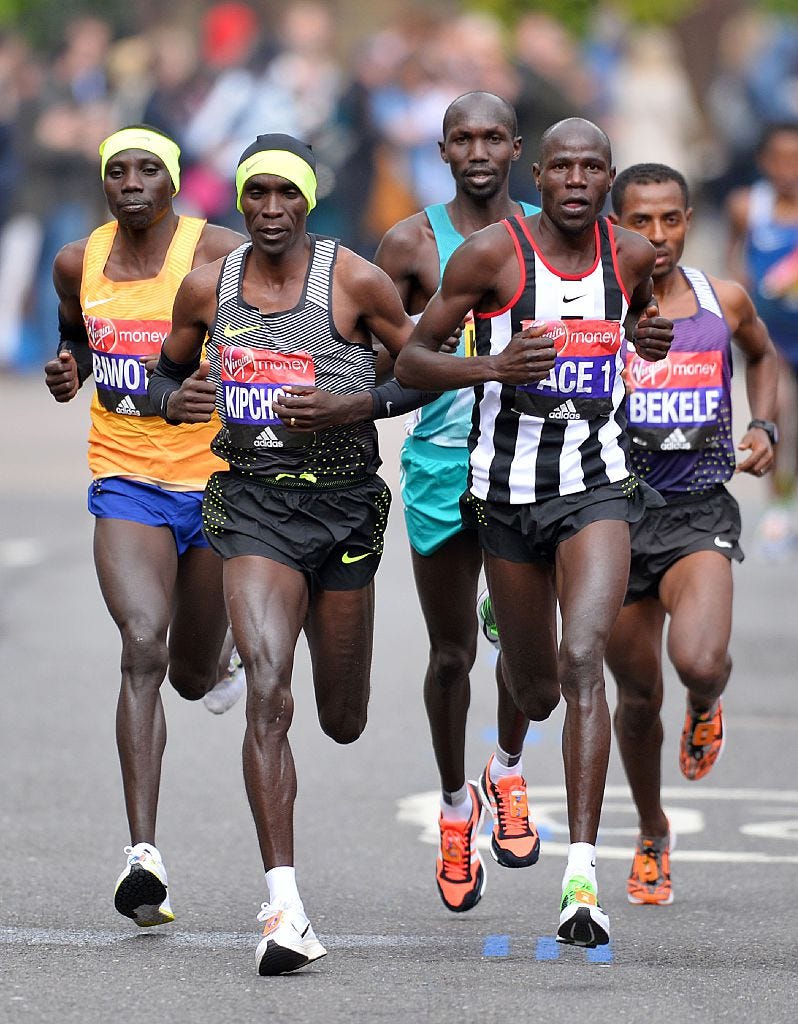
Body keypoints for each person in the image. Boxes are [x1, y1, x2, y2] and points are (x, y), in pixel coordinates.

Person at [395, 117, 672, 948]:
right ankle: (502, 768)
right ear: (539, 174)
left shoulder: (631, 255)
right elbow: (411, 361)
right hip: (506, 493)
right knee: (537, 685)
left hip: (597, 486)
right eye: (564, 168)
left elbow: (644, 320)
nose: (578, 181)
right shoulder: (491, 258)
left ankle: (580, 880)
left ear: (608, 176)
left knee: (582, 660)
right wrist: (492, 368)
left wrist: (647, 339)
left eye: (594, 168)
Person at [147, 133, 413, 975]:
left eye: (284, 195)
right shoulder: (207, 288)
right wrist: (176, 397)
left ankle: (288, 888)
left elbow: (421, 369)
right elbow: (162, 376)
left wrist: (352, 407)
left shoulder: (354, 278)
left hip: (342, 510)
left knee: (340, 718)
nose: (268, 210)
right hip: (254, 504)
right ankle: (284, 907)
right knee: (268, 689)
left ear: (308, 200)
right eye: (254, 194)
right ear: (239, 200)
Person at [44, 125, 246, 930]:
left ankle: (222, 655)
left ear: (174, 183)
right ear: (105, 185)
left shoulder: (216, 250)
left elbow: (286, 302)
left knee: (192, 676)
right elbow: (74, 332)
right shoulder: (77, 260)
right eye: (117, 172)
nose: (131, 183)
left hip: (215, 484)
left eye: (147, 170)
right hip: (126, 479)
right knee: (142, 648)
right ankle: (143, 856)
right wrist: (70, 365)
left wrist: (230, 375)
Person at [374, 91, 541, 915]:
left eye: (491, 137)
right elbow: (379, 364)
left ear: (516, 147)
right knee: (451, 656)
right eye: (461, 139)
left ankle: (505, 768)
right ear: (442, 150)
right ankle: (453, 807)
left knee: (519, 637)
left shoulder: (552, 232)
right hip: (440, 462)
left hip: (531, 462)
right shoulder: (409, 242)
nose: (477, 151)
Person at [605, 163, 777, 905]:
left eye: (670, 219)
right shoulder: (596, 310)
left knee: (699, 662)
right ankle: (651, 832)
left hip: (697, 509)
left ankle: (707, 705)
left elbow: (765, 356)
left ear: (689, 220)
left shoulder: (722, 300)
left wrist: (764, 425)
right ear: (616, 227)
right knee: (638, 695)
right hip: (611, 517)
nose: (658, 236)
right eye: (640, 221)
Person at [726, 122, 798, 557]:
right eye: (780, 159)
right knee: (782, 416)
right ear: (763, 162)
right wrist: (744, 278)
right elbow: (735, 251)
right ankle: (778, 507)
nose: (789, 169)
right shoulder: (747, 205)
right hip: (772, 341)